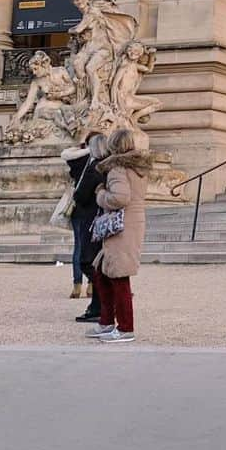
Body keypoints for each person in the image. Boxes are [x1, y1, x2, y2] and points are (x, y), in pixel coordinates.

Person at [86, 128, 152, 343]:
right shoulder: (137, 168)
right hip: (131, 224)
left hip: (121, 227)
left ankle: (125, 328)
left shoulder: (118, 169)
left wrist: (100, 194)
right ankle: (107, 322)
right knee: (103, 273)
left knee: (118, 277)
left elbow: (120, 198)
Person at [60, 130, 106, 314]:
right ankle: (92, 285)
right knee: (92, 250)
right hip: (93, 208)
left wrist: (81, 146)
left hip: (78, 209)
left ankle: (77, 284)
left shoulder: (76, 160)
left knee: (79, 246)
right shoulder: (97, 161)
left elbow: (67, 154)